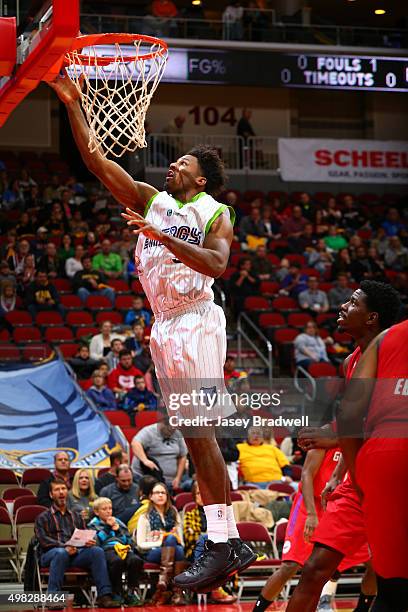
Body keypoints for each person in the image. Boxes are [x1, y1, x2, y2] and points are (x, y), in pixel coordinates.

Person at [49, 74, 256, 592]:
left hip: (196, 318)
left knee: (200, 432)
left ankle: (224, 540)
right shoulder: (151, 200)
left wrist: (161, 235)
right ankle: (227, 541)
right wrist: (74, 105)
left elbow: (216, 265)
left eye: (183, 164)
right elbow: (98, 162)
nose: (174, 165)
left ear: (201, 181)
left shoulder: (215, 214)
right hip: (164, 324)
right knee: (193, 431)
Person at [284, 281, 401, 612]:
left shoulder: (396, 356)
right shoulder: (352, 361)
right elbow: (354, 424)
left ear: (371, 318)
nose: (343, 307)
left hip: (392, 477)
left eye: (352, 303)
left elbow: (384, 422)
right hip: (357, 482)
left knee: (390, 576)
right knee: (314, 569)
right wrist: (338, 472)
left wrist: (333, 436)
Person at [337, 318, 408, 612]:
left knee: (391, 590)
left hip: (381, 456)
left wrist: (358, 474)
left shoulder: (386, 338)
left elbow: (348, 415)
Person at [35, 479, 119, 608]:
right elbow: (43, 541)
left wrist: (88, 541)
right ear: (51, 495)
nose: (61, 492)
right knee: (61, 552)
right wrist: (65, 546)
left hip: (75, 553)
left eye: (63, 489)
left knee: (97, 551)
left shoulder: (76, 516)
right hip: (51, 555)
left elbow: (83, 534)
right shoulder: (43, 517)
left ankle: (104, 595)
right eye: (57, 490)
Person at [184, 481, 237, 604]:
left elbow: (228, 535)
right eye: (198, 493)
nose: (202, 496)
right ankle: (216, 588)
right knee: (205, 539)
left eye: (205, 493)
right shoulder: (189, 515)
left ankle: (212, 586)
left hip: (218, 552)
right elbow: (189, 537)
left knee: (219, 546)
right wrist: (211, 536)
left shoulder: (219, 516)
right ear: (194, 496)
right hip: (194, 552)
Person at [136, 481, 187, 605]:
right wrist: (162, 542)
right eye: (157, 493)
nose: (160, 495)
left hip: (173, 552)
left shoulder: (174, 513)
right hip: (152, 552)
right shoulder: (145, 516)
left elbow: (182, 542)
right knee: (171, 540)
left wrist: (170, 540)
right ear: (151, 496)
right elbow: (140, 544)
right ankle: (177, 591)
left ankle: (164, 582)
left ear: (167, 496)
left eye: (163, 492)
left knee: (178, 548)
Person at [88, 497, 144, 606]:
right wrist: (108, 528)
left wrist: (118, 531)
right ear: (96, 512)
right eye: (104, 509)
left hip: (122, 548)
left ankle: (131, 592)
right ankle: (117, 592)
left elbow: (128, 540)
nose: (108, 511)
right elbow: (96, 542)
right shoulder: (93, 524)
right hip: (106, 550)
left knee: (136, 560)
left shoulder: (118, 522)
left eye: (110, 508)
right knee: (117, 561)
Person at [131, 418, 187, 489]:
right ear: (161, 424)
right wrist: (145, 460)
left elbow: (182, 456)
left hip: (170, 481)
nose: (172, 432)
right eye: (169, 429)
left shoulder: (177, 433)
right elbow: (135, 443)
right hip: (146, 479)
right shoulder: (149, 431)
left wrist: (178, 477)